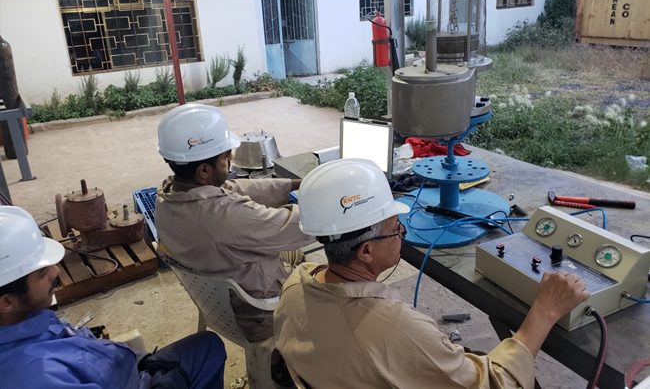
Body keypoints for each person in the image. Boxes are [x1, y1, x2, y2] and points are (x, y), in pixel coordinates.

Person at [274, 159, 591, 389]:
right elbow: (496, 382)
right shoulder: (394, 329)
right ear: (366, 251)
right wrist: (544, 311)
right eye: (395, 228)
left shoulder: (296, 283)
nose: (402, 232)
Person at [0, 205, 227, 389]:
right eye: (42, 273)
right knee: (208, 351)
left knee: (206, 345)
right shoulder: (35, 375)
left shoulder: (26, 323)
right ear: (6, 302)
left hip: (123, 369)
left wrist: (138, 360)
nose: (55, 271)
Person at [155, 103, 314, 343]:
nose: (231, 157)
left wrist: (296, 184)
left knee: (296, 255)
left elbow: (234, 187)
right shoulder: (228, 218)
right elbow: (297, 225)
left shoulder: (168, 194)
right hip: (257, 312)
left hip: (217, 297)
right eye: (225, 155)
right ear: (204, 170)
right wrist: (342, 202)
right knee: (330, 277)